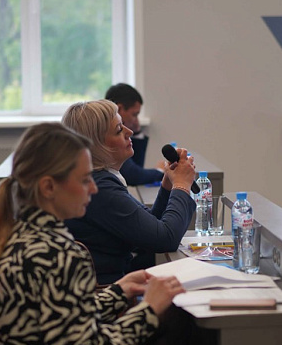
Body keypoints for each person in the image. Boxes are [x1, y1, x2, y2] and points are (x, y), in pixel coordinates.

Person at [0, 122, 217, 345]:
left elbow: (59, 319)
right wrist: (147, 312)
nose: (93, 189)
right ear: (49, 187)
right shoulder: (61, 253)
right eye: (84, 179)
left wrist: (118, 291)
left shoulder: (19, 235)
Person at [62, 100, 197, 285]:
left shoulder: (101, 179)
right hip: (107, 291)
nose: (130, 132)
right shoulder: (100, 188)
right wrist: (181, 186)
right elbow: (166, 239)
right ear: (97, 145)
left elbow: (149, 228)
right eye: (119, 130)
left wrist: (168, 186)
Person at [105, 83, 164, 185]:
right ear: (119, 109)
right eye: (134, 114)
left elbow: (136, 167)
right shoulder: (106, 135)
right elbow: (133, 175)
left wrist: (137, 133)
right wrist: (160, 171)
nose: (136, 120)